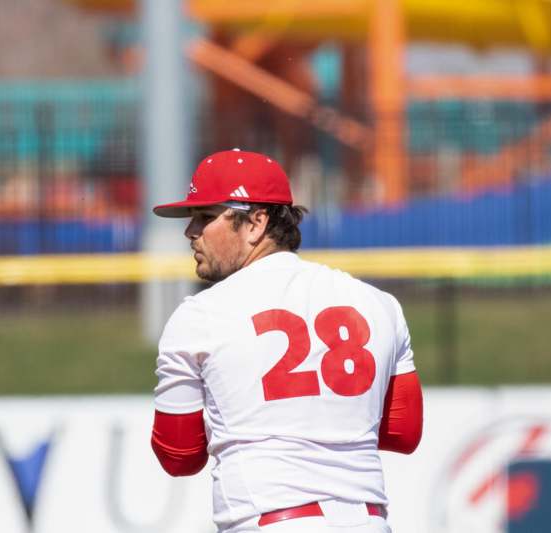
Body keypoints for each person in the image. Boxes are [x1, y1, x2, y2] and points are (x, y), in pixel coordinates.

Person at [150, 149, 423, 533]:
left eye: (206, 217)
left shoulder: (200, 316)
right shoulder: (379, 304)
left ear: (256, 222)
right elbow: (404, 433)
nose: (190, 231)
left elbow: (178, 456)